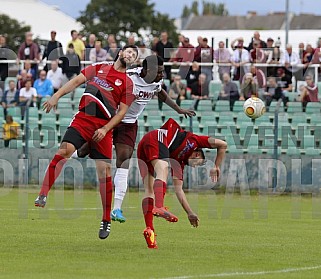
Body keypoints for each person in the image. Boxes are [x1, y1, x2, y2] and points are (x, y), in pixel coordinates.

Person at [34, 45, 139, 240]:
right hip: (83, 119)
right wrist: (56, 95)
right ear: (120, 53)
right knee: (64, 150)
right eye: (129, 51)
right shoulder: (99, 67)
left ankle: (106, 220)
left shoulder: (127, 83)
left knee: (104, 172)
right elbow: (75, 81)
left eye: (134, 55)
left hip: (103, 126)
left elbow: (122, 112)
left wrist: (106, 129)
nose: (130, 55)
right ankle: (43, 194)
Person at [73, 55, 195, 223]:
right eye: (159, 72)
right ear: (147, 70)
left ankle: (116, 208)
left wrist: (178, 109)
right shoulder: (129, 76)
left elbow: (160, 93)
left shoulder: (156, 82)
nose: (162, 75)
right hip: (110, 119)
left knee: (124, 159)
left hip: (128, 125)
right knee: (83, 151)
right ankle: (70, 154)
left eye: (162, 71)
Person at [137, 118, 227, 248]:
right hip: (157, 137)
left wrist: (190, 213)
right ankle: (159, 206)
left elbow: (179, 190)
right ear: (197, 155)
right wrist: (217, 166)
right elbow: (222, 144)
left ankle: (149, 230)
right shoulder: (195, 140)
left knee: (149, 189)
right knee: (163, 168)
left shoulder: (180, 163)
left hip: (144, 144)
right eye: (199, 163)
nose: (196, 167)